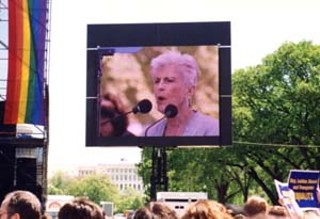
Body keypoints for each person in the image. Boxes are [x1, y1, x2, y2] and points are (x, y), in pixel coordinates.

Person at [145, 51, 219, 136]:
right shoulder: (149, 132)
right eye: (157, 81)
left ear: (189, 90)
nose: (160, 87)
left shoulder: (212, 130)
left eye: (169, 80)